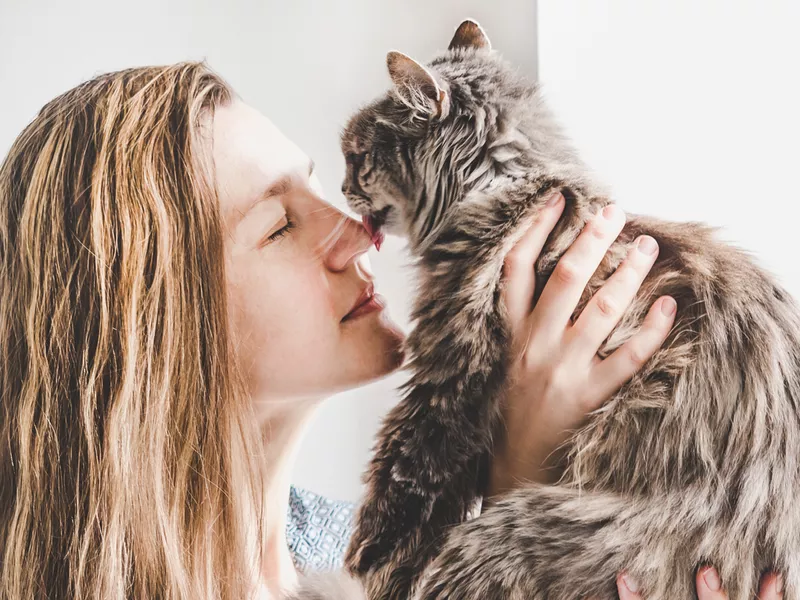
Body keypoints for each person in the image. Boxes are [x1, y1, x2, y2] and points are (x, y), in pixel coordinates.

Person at [0, 62, 781, 600]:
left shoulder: (343, 547)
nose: (358, 230)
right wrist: (517, 498)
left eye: (318, 184)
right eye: (278, 224)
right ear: (156, 318)